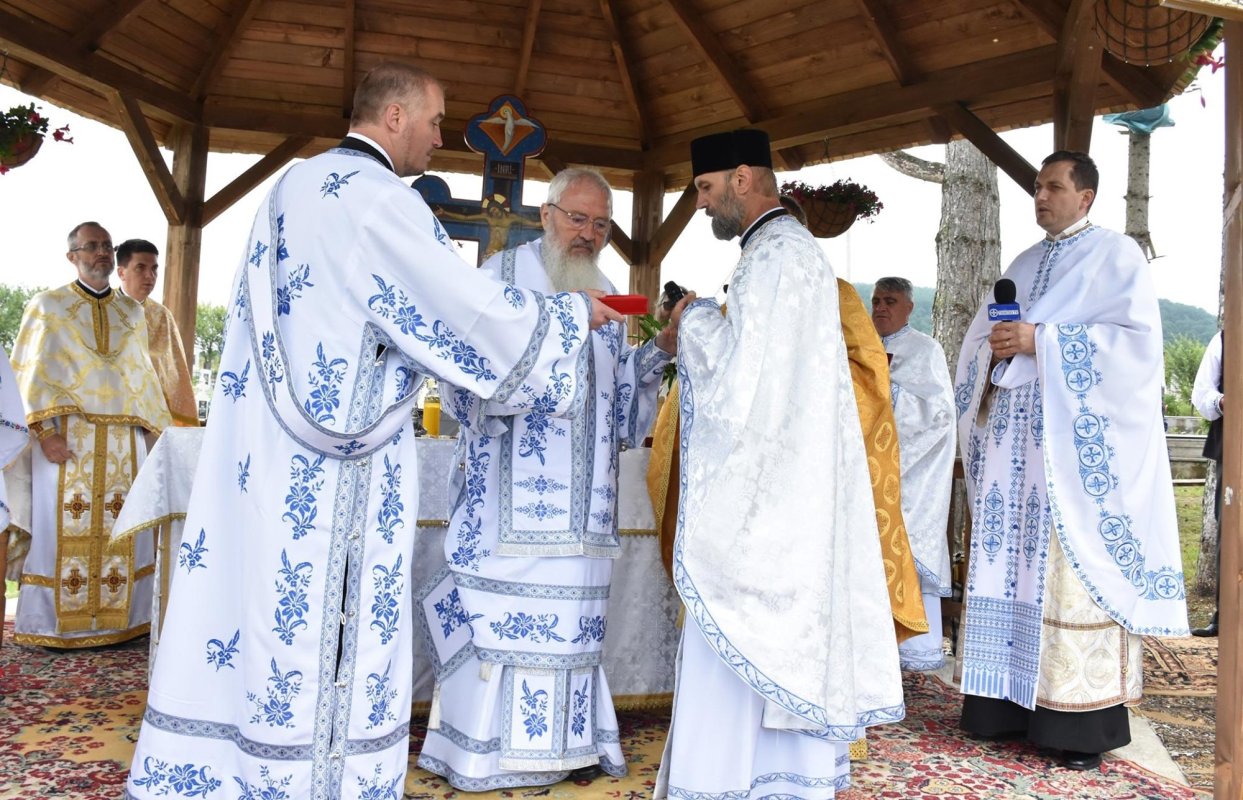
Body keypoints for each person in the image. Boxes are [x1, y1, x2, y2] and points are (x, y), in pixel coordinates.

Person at [125, 63, 621, 799]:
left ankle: (241, 767)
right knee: (332, 622)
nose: (439, 137)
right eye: (434, 121)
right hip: (345, 474)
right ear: (394, 118)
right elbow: (463, 312)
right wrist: (568, 316)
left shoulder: (289, 188)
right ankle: (322, 777)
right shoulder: (381, 200)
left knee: (260, 605)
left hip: (268, 455)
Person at [417, 167, 688, 790]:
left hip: (585, 516)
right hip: (504, 515)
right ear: (545, 215)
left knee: (569, 638)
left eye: (600, 224)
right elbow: (466, 382)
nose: (588, 234)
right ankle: (489, 759)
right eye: (577, 218)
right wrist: (563, 325)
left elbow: (620, 404)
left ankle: (566, 750)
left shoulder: (610, 292)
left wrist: (660, 351)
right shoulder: (498, 282)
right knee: (500, 635)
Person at [654, 129, 904, 800]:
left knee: (730, 624)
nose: (702, 205)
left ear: (741, 179)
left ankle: (728, 785)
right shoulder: (785, 252)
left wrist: (692, 322)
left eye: (706, 190)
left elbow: (744, 382)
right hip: (791, 489)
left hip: (768, 502)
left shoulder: (773, 257)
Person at [954, 151, 1188, 771]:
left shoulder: (1116, 257)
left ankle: (1074, 728)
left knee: (1063, 576)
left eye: (1054, 187)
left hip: (1071, 466)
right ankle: (999, 708)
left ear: (1085, 196)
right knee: (1014, 567)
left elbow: (1137, 351)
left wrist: (1044, 340)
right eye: (1036, 187)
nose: (1041, 197)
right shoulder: (1023, 263)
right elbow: (979, 344)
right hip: (1015, 455)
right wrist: (996, 348)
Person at [8, 221, 171, 648]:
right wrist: (43, 433)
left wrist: (153, 439)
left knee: (124, 527)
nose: (100, 253)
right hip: (67, 440)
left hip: (124, 443)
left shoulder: (132, 312)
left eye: (106, 246)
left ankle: (120, 622)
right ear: (72, 256)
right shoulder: (48, 306)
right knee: (59, 529)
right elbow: (30, 377)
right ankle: (55, 625)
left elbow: (142, 379)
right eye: (91, 246)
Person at [871, 276, 956, 671]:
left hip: (909, 476)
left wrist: (891, 391)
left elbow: (938, 415)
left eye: (890, 301)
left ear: (909, 307)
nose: (881, 308)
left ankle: (913, 650)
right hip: (865, 473)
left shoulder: (925, 349)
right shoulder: (860, 347)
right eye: (875, 300)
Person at [116, 239, 199, 427]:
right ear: (121, 272)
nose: (149, 276)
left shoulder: (162, 315)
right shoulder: (104, 309)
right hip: (113, 413)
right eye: (140, 268)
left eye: (154, 269)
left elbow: (175, 371)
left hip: (154, 416)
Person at [1191, 328, 1224, 636]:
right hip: (1233, 445)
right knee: (1229, 529)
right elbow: (1201, 394)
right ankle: (1224, 615)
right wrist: (1225, 402)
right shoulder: (1225, 338)